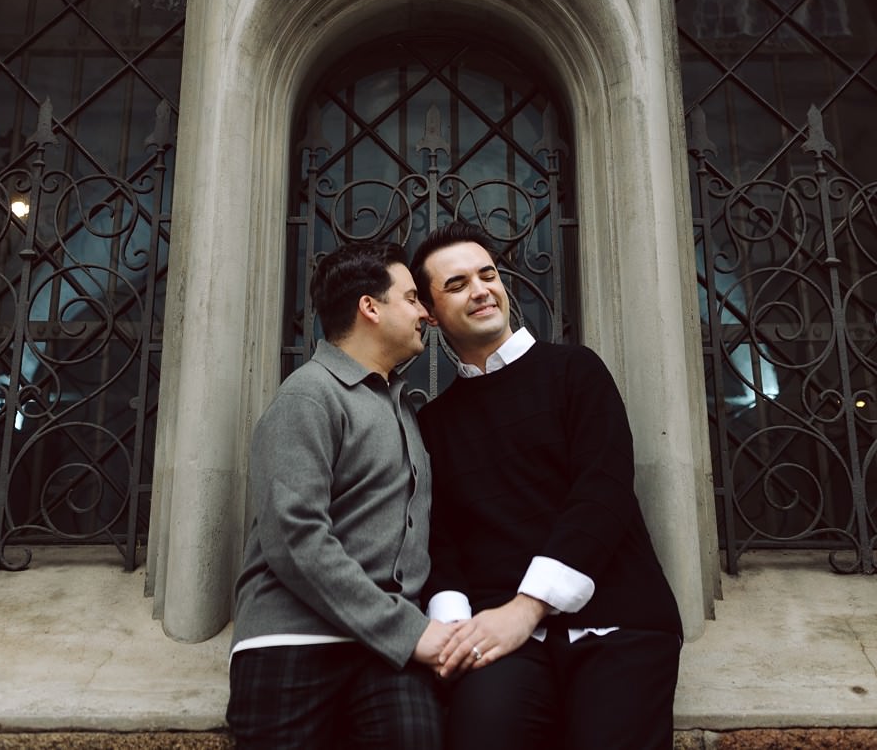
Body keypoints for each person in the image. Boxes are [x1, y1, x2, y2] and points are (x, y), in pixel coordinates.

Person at [412, 221, 682, 750]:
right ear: (430, 312)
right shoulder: (435, 423)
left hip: (618, 622)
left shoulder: (575, 371)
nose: (481, 289)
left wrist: (528, 606)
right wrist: (455, 632)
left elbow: (602, 493)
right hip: (499, 641)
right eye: (458, 284)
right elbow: (438, 538)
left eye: (487, 275)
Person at [227, 240, 454, 749]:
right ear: (370, 307)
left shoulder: (400, 406)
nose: (426, 314)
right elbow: (295, 538)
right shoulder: (309, 394)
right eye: (413, 298)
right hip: (293, 643)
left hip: (387, 650)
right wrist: (409, 631)